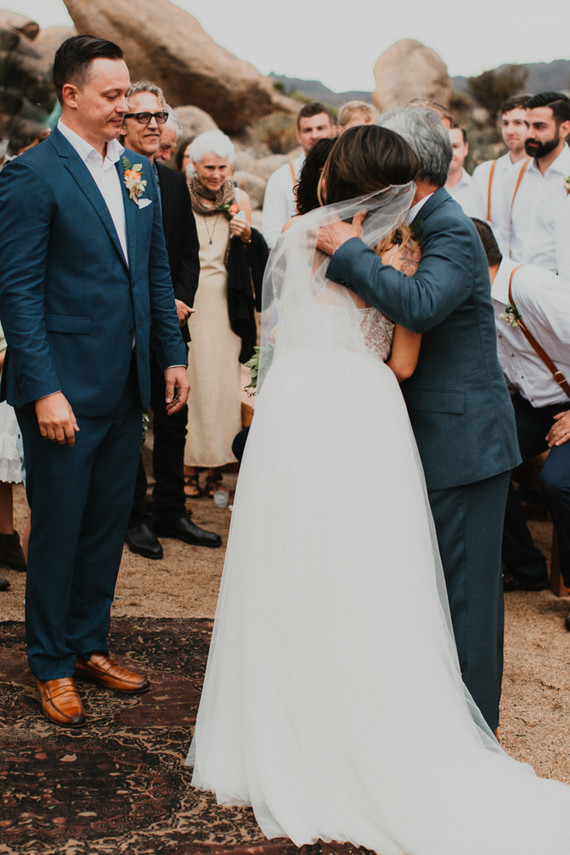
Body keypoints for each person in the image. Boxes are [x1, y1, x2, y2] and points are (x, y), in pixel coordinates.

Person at [187, 125, 570, 854]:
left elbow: (391, 313)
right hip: (369, 419)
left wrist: (353, 252)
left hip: (316, 419)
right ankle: (403, 728)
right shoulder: (402, 238)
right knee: (372, 575)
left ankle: (454, 729)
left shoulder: (352, 235)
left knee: (360, 575)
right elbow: (400, 351)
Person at [0, 36, 189, 727]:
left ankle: (87, 644)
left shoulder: (137, 171)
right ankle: (48, 663)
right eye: (112, 95)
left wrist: (172, 354)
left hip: (127, 384)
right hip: (62, 389)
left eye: (129, 92)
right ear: (69, 95)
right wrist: (44, 388)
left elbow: (156, 274)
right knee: (57, 529)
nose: (128, 106)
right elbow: (17, 293)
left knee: (107, 524)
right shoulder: (31, 175)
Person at [316, 107, 520, 733]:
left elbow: (422, 305)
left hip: (463, 441)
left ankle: (474, 735)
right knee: (432, 592)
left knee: (466, 602)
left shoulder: (450, 226)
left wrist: (349, 251)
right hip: (433, 435)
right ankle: (437, 721)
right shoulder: (415, 222)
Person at [120, 82, 221, 558]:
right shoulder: (111, 177)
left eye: (159, 117)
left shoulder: (174, 183)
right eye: (144, 117)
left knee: (173, 417)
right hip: (125, 322)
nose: (154, 126)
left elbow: (187, 254)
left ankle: (171, 510)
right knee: (130, 420)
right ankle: (133, 516)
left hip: (171, 319)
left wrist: (178, 300)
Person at [473, 218, 570, 605]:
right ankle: (526, 569)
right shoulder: (480, 296)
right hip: (536, 404)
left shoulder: (530, 286)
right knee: (484, 463)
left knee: (558, 482)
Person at [184, 130, 266, 498]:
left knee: (223, 383)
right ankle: (188, 464)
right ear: (194, 165)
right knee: (194, 379)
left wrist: (246, 234)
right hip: (193, 299)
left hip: (227, 303)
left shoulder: (240, 199)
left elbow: (251, 257)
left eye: (222, 167)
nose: (216, 175)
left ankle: (217, 464)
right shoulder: (181, 197)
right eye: (208, 167)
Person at [504, 91, 570, 270]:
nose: (530, 134)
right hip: (515, 287)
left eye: (539, 127)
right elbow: (504, 234)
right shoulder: (514, 175)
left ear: (564, 129)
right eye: (528, 125)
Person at [261, 102, 336, 248]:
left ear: (333, 130)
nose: (314, 135)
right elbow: (272, 234)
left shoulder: (346, 171)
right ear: (298, 136)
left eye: (320, 128)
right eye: (308, 130)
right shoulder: (280, 178)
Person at [468, 95, 530, 249]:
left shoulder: (544, 173)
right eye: (505, 123)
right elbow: (474, 226)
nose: (510, 131)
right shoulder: (484, 173)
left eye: (518, 123)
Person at [444, 125, 471, 211]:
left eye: (455, 146)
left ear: (465, 148)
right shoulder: (428, 190)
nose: (450, 153)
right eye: (446, 146)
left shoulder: (476, 188)